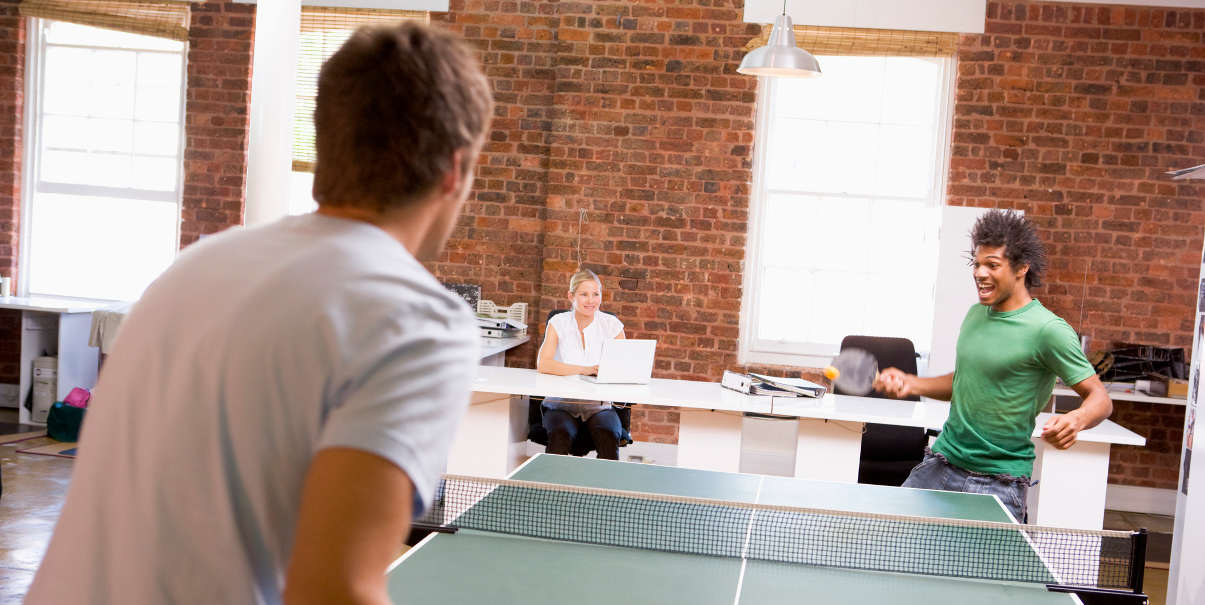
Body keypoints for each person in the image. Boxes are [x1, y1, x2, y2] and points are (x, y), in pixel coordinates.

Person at [26, 22, 493, 605]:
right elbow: (334, 591)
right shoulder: (419, 324)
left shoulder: (195, 266)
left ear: (329, 143)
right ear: (455, 170)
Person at [874, 210, 1112, 523]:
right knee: (888, 547)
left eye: (992, 265)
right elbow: (966, 380)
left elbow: (1101, 399)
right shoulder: (975, 315)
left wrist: (1077, 419)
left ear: (1021, 268)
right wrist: (912, 383)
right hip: (940, 463)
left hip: (997, 483)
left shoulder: (1048, 330)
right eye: (977, 263)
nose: (979, 273)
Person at [535, 268, 626, 460]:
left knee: (608, 434)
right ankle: (549, 489)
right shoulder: (558, 322)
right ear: (571, 296)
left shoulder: (612, 325)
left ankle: (606, 490)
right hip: (561, 404)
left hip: (599, 406)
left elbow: (623, 368)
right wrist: (584, 370)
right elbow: (544, 364)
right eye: (584, 294)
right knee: (560, 433)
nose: (591, 300)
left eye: (596, 294)